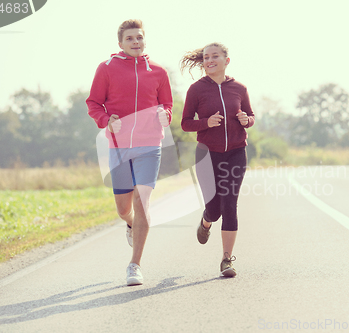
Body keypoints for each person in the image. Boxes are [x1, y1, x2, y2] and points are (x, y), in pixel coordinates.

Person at [86, 19, 172, 286]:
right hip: (119, 146)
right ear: (120, 43)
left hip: (150, 146)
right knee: (124, 208)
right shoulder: (107, 68)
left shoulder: (158, 71)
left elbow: (167, 103)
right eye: (130, 38)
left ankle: (134, 265)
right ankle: (130, 224)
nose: (136, 42)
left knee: (142, 201)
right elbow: (93, 103)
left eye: (140, 37)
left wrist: (165, 114)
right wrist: (106, 120)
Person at [180, 43, 255, 277]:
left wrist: (246, 120)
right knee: (214, 208)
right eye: (206, 57)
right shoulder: (196, 90)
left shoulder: (239, 88)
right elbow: (185, 123)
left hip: (235, 152)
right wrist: (206, 123)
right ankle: (206, 221)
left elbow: (251, 116)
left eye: (215, 56)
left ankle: (226, 260)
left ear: (226, 60)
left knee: (230, 203)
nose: (209, 60)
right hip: (206, 153)